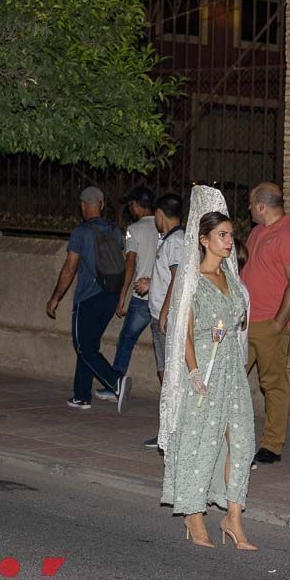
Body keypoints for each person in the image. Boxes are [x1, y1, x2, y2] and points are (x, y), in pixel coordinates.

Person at [159, 190, 256, 550]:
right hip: (204, 365)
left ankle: (233, 517)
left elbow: (237, 321)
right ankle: (193, 514)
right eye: (223, 236)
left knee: (242, 442)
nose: (230, 242)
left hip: (231, 366)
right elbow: (182, 329)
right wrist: (195, 372)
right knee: (199, 440)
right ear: (204, 240)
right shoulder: (192, 280)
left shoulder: (231, 279)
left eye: (231, 235)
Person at [46, 187, 132, 412]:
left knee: (83, 345)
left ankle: (115, 381)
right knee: (89, 346)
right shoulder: (114, 230)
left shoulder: (81, 232)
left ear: (83, 205)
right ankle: (81, 396)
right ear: (102, 205)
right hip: (110, 295)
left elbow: (70, 267)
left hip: (89, 298)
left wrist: (56, 297)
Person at [242, 182, 290, 467]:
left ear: (260, 206)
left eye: (250, 204)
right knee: (229, 378)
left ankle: (272, 445)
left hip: (270, 323)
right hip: (245, 322)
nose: (247, 209)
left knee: (273, 384)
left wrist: (279, 323)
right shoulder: (257, 231)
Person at [136, 192, 184, 448]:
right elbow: (170, 277)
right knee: (165, 374)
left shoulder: (176, 241)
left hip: (166, 319)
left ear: (160, 214)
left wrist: (164, 312)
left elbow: (178, 280)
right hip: (160, 315)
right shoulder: (173, 240)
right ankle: (169, 430)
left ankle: (172, 432)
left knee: (169, 376)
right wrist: (152, 283)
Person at [101, 187, 158, 397]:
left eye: (131, 205)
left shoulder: (133, 229)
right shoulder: (164, 227)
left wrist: (122, 294)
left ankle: (114, 386)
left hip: (141, 297)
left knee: (126, 340)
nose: (130, 209)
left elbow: (130, 261)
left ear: (136, 205)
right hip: (161, 295)